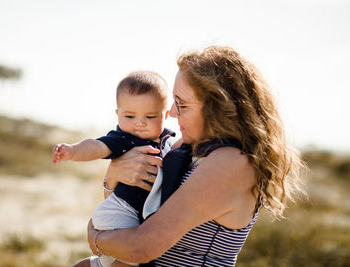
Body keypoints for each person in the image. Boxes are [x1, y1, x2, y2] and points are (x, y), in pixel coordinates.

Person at [78, 45, 305, 267]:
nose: (173, 114)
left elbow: (141, 247)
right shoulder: (186, 147)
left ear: (217, 107)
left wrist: (97, 239)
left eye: (182, 104)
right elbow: (131, 208)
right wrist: (112, 178)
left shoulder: (232, 163)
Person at [53, 70, 175, 267]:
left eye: (150, 116)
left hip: (136, 217)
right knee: (128, 262)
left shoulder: (169, 144)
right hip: (121, 213)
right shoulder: (124, 139)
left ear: (166, 115)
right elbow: (97, 147)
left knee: (101, 264)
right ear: (117, 114)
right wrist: (73, 151)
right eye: (129, 115)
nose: (139, 123)